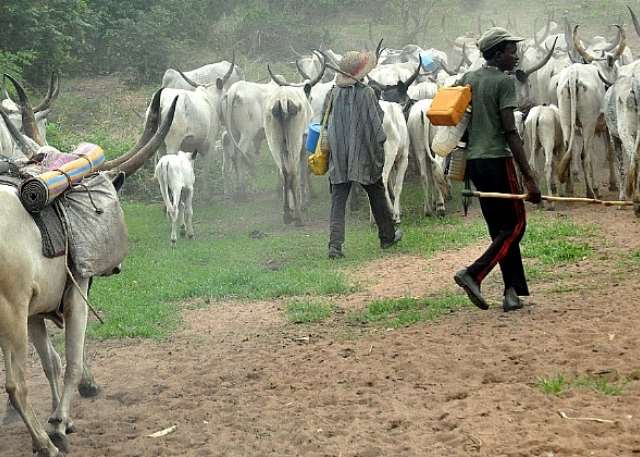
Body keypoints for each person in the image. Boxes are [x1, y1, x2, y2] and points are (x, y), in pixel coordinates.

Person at [453, 27, 542, 312]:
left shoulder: (468, 78)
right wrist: (529, 177)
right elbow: (511, 132)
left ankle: (511, 291)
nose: (515, 55)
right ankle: (474, 273)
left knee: (500, 230)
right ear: (498, 53)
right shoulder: (505, 83)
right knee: (516, 225)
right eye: (510, 50)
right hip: (497, 161)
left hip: (475, 164)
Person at [322, 50, 402, 259]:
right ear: (361, 73)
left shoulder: (332, 93)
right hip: (363, 155)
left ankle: (335, 246)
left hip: (339, 156)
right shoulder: (366, 93)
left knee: (338, 199)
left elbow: (325, 121)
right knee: (375, 192)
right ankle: (387, 236)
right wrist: (379, 144)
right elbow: (378, 124)